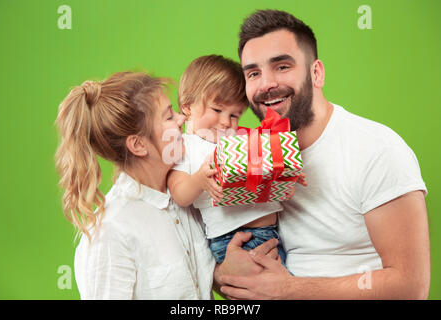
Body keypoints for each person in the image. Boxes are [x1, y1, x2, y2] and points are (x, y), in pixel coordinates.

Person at [215, 9, 430, 299]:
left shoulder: (377, 149)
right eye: (253, 73)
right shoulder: (252, 155)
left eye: (281, 66)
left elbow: (410, 286)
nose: (266, 84)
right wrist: (222, 274)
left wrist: (290, 290)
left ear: (316, 73)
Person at [55, 71, 215, 299]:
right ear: (139, 145)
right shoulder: (111, 231)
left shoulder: (186, 195)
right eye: (169, 117)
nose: (182, 119)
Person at [167, 55, 304, 266]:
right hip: (233, 239)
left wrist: (287, 173)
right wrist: (200, 180)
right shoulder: (186, 146)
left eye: (234, 115)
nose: (225, 122)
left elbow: (265, 170)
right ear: (187, 107)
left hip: (272, 235)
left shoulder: (240, 139)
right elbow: (179, 193)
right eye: (217, 110)